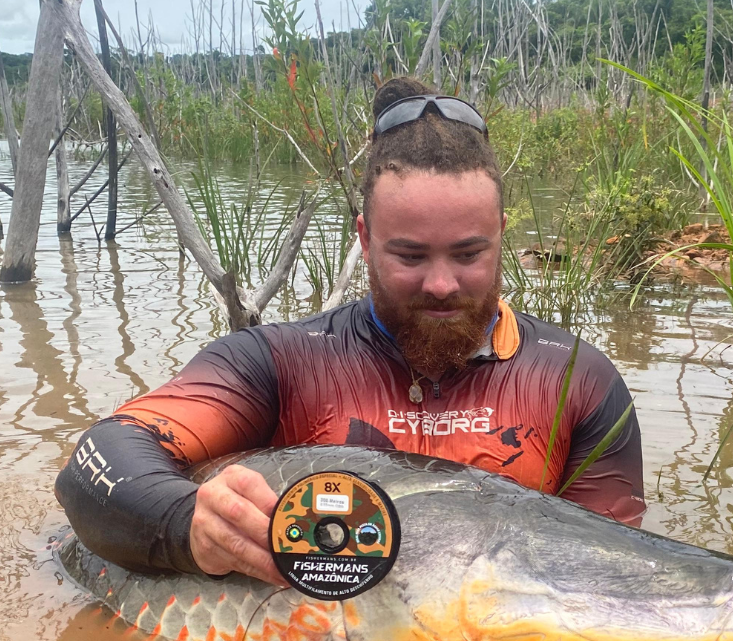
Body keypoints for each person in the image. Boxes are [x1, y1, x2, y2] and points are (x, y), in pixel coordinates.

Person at [56, 77, 645, 586]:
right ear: (364, 239)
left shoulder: (578, 381)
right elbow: (95, 463)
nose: (441, 285)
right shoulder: (281, 361)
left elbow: (609, 576)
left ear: (501, 234)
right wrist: (190, 525)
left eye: (469, 254)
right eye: (409, 256)